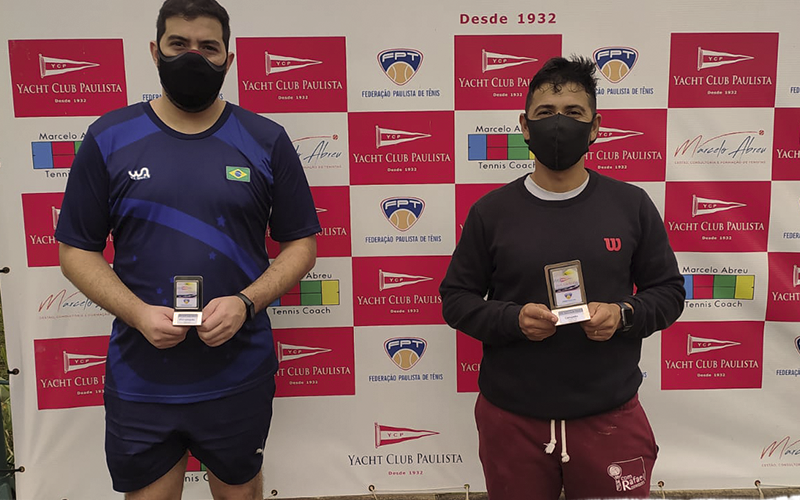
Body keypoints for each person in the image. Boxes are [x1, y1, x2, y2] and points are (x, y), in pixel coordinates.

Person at [55, 1, 320, 498]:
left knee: (241, 493)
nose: (192, 57)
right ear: (155, 52)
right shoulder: (108, 137)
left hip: (238, 371)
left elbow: (301, 245)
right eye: (178, 44)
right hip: (142, 378)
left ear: (228, 59)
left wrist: (246, 303)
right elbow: (75, 252)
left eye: (208, 47)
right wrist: (137, 313)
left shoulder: (266, 139)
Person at [439, 56, 685, 499]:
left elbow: (668, 292)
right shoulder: (491, 213)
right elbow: (456, 299)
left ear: (595, 127)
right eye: (545, 113)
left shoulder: (631, 205)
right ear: (524, 126)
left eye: (573, 113)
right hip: (512, 419)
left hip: (610, 415)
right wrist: (512, 320)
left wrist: (623, 314)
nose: (559, 124)